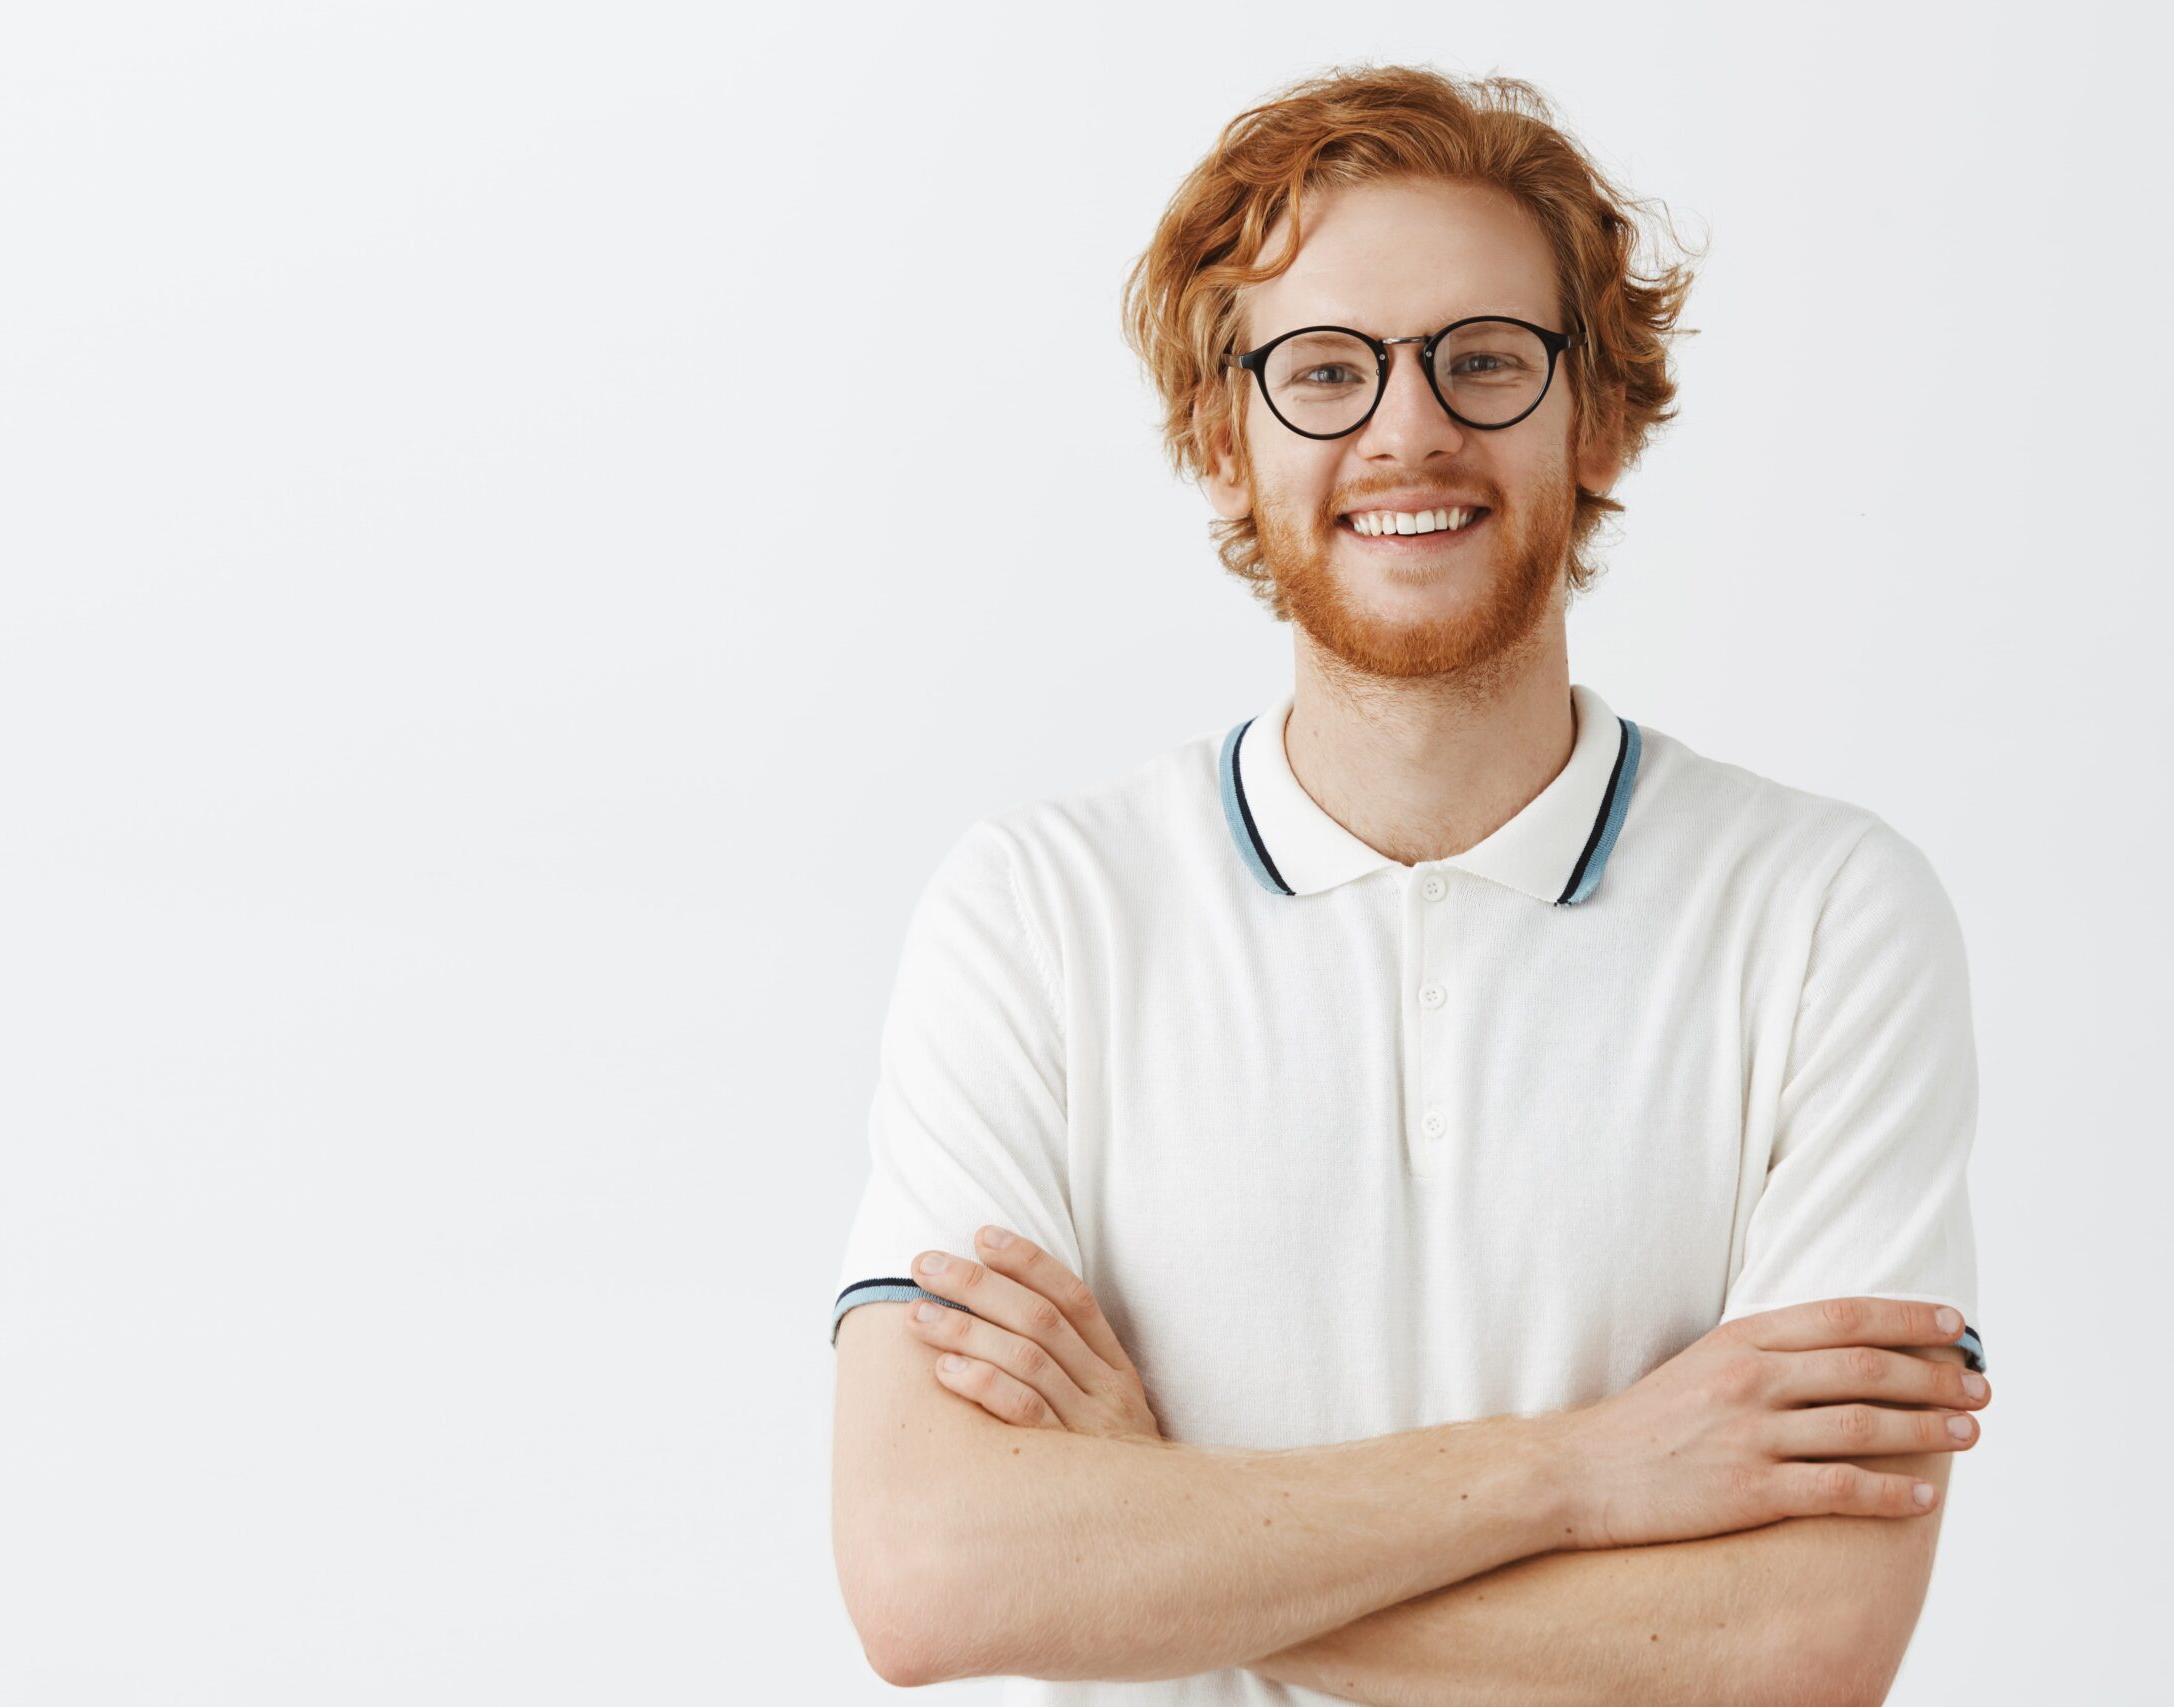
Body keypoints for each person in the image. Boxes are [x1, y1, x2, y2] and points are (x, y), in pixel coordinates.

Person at [825, 65, 1991, 1705]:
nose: (1407, 429)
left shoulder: (1827, 918)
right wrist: (1585, 1472)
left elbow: (1800, 1647)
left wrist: (1157, 1535)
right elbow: (934, 1577)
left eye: (1485, 360)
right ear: (1223, 438)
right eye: (1323, 371)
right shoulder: (1038, 912)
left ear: (1596, 416)